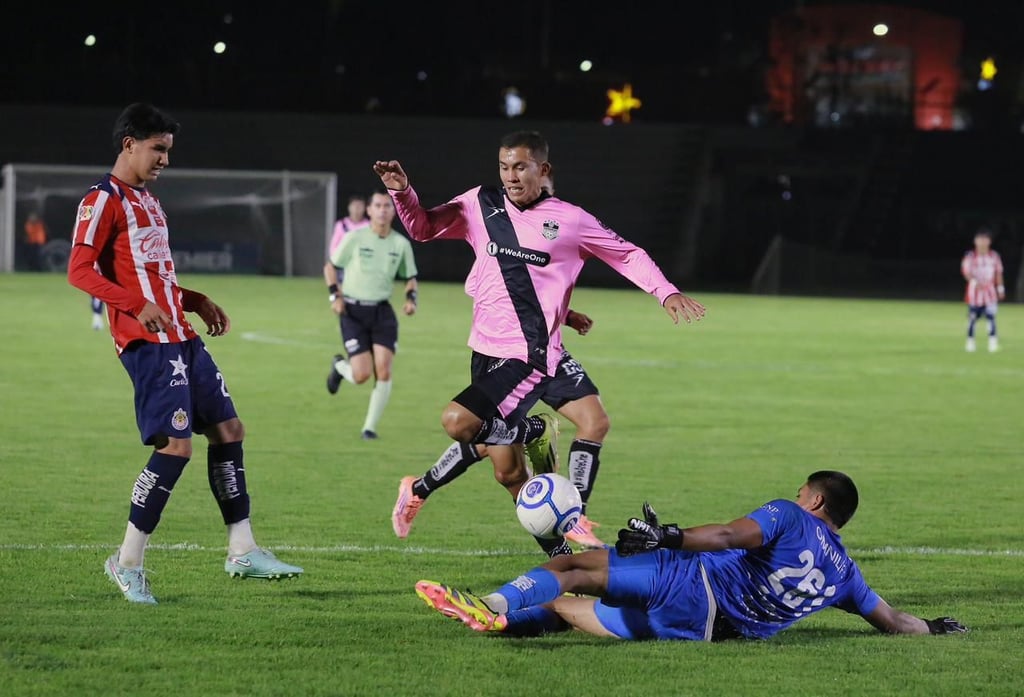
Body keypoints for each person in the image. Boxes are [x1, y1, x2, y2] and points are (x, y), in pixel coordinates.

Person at [376, 130, 705, 558]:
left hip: (534, 355)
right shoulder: (480, 203)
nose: (510, 176)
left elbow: (627, 253)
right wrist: (402, 193)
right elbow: (423, 228)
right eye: (504, 166)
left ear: (543, 170)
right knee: (509, 473)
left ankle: (573, 516)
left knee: (475, 421)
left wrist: (665, 291)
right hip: (486, 353)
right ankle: (560, 551)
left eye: (520, 167)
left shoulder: (569, 220)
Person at [67, 102, 303, 604]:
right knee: (175, 446)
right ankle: (126, 561)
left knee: (228, 429)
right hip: (146, 344)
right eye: (158, 149)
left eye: (168, 151)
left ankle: (242, 548)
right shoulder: (102, 199)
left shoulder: (150, 202)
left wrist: (194, 301)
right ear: (129, 143)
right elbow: (80, 270)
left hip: (180, 334)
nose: (165, 161)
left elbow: (157, 275)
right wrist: (135, 305)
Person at [414, 470, 970, 642]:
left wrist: (667, 537)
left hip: (690, 585)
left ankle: (489, 602)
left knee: (571, 569)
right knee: (565, 606)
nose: (797, 496)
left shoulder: (791, 516)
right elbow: (895, 622)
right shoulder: (846, 575)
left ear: (816, 500)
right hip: (700, 630)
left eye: (803, 492)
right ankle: (499, 623)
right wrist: (939, 628)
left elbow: (728, 537)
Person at [391, 307, 610, 550]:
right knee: (511, 473)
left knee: (595, 422)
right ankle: (564, 560)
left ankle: (577, 514)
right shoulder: (491, 268)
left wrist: (565, 316)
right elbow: (501, 290)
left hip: (547, 350)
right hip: (503, 356)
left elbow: (543, 285)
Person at [324, 187, 419, 440]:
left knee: (384, 370)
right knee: (361, 375)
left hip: (382, 313)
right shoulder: (355, 238)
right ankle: (339, 366)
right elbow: (330, 267)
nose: (382, 210)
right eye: (377, 205)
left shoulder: (400, 244)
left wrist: (411, 300)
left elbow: (410, 278)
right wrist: (335, 295)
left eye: (387, 206)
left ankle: (369, 428)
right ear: (369, 210)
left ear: (394, 211)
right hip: (352, 311)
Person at [961, 226, 1005, 353]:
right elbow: (966, 272)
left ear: (989, 241)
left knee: (991, 317)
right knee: (973, 318)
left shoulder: (994, 256)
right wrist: (975, 282)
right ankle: (970, 342)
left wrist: (1001, 288)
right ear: (975, 241)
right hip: (974, 292)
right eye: (980, 239)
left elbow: (998, 273)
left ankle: (992, 342)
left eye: (985, 239)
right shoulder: (970, 256)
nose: (982, 242)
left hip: (990, 292)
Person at [326, 193, 369, 282]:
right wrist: (336, 260)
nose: (357, 209)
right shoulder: (342, 224)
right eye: (354, 206)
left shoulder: (369, 225)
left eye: (360, 206)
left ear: (365, 208)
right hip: (344, 264)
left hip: (361, 265)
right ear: (349, 207)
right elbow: (334, 245)